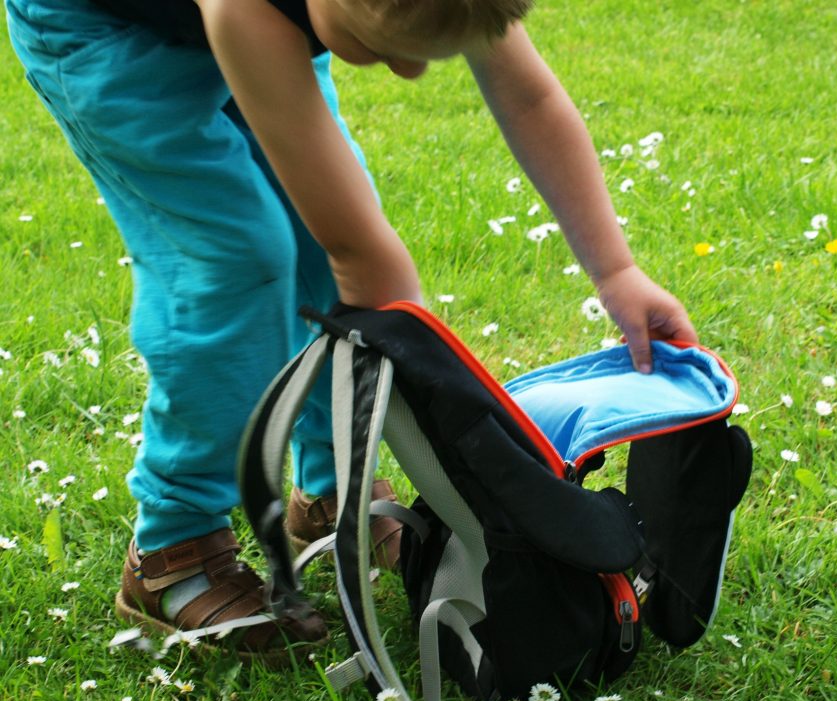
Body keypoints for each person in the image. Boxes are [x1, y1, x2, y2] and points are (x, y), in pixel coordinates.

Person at [6, 0, 699, 659]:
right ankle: (173, 547)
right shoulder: (247, 14)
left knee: (316, 229)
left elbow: (530, 99)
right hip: (108, 34)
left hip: (268, 23)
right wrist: (478, 475)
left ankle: (336, 487)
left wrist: (617, 274)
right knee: (235, 261)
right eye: (384, 49)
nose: (409, 73)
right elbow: (366, 264)